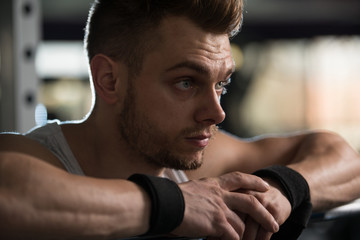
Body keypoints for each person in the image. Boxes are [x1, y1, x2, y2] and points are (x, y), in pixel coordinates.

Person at [1, 0, 360, 239]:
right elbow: (12, 195)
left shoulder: (202, 166)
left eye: (221, 83)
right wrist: (173, 204)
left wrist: (283, 188)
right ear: (110, 80)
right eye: (186, 82)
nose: (217, 112)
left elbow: (346, 161)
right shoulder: (36, 158)